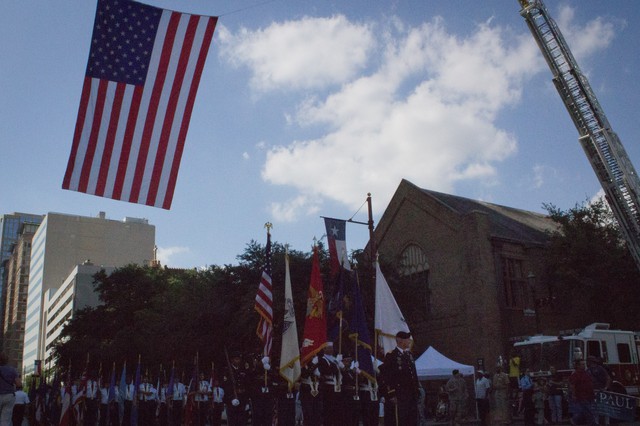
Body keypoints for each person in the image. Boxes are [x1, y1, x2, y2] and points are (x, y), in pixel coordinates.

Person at [380, 331, 420, 426]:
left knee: (412, 420)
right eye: (407, 339)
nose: (409, 341)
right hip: (400, 394)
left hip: (411, 394)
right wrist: (391, 393)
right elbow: (387, 377)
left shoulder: (409, 355)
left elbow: (413, 375)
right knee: (401, 420)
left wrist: (417, 389)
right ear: (400, 340)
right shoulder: (392, 356)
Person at [568, 359, 596, 426]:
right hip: (581, 395)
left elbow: (590, 383)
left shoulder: (587, 373)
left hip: (589, 395)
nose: (584, 365)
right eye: (582, 364)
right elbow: (572, 385)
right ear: (578, 365)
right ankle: (592, 423)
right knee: (588, 410)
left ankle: (574, 420)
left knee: (585, 411)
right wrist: (574, 395)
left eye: (584, 364)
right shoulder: (575, 375)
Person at [587, 356, 611, 426]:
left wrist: (605, 388)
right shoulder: (588, 370)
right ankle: (596, 422)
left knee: (605, 407)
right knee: (595, 407)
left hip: (601, 390)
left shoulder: (600, 369)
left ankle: (607, 422)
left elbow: (608, 378)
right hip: (593, 390)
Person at [0, 353, 20, 426]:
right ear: (7, 361)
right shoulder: (12, 370)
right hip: (9, 395)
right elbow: (19, 384)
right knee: (6, 419)